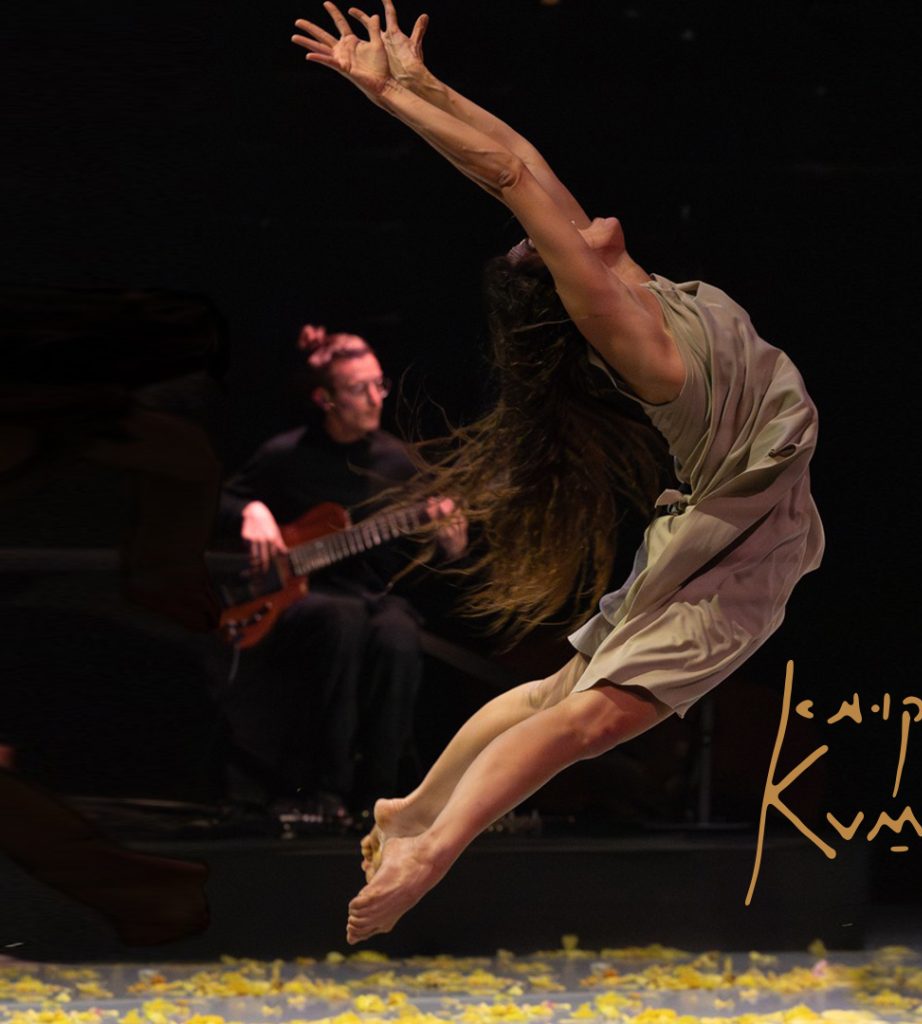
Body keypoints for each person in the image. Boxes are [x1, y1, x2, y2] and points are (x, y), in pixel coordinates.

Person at [291, 0, 824, 942]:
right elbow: (509, 178)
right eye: (542, 239)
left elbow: (517, 160)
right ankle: (433, 853)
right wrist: (385, 99)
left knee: (556, 694)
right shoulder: (627, 328)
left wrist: (422, 83)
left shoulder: (637, 286)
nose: (553, 218)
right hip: (732, 548)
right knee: (590, 719)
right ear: (567, 275)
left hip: (734, 534)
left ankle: (414, 811)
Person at [218, 326, 467, 826]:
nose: (376, 398)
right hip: (303, 598)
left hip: (374, 595)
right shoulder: (286, 455)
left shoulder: (398, 462)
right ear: (325, 399)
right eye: (359, 388)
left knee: (397, 634)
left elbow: (443, 558)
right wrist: (252, 511)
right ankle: (322, 790)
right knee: (341, 621)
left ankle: (381, 796)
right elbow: (221, 500)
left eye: (379, 384)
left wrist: (452, 542)